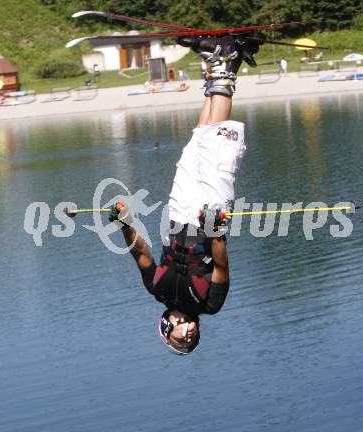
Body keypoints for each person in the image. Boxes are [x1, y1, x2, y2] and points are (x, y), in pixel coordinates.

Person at [109, 35, 258, 355]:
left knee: (196, 145)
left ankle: (222, 63)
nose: (190, 331)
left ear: (166, 326)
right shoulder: (210, 304)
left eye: (182, 335)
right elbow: (221, 269)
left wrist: (122, 223)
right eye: (192, 336)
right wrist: (215, 232)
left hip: (178, 215)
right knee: (216, 142)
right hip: (208, 219)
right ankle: (225, 64)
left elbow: (142, 255)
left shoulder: (157, 290)